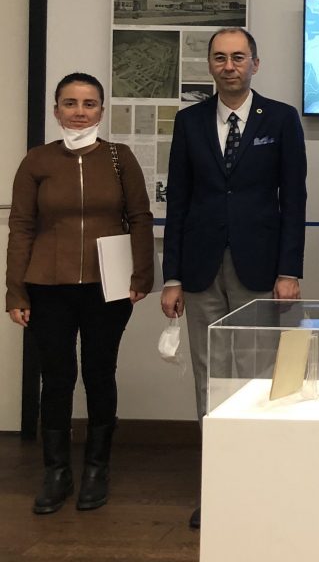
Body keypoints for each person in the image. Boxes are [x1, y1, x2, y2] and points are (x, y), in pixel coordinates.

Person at [161, 27, 307, 529]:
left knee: (257, 374)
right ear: (210, 65)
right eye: (220, 58)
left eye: (238, 57)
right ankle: (219, 485)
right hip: (200, 269)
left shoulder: (281, 119)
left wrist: (289, 270)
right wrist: (172, 276)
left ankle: (260, 483)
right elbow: (178, 201)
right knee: (210, 376)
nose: (229, 66)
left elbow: (294, 201)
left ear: (255, 64)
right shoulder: (190, 121)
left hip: (260, 267)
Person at [6, 72, 154, 514]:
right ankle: (56, 472)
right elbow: (21, 226)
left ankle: (95, 469)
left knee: (99, 373)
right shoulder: (36, 161)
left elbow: (140, 217)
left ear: (101, 111)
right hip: (47, 286)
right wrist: (15, 291)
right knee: (56, 378)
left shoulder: (119, 157)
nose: (79, 112)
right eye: (70, 103)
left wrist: (142, 275)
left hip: (107, 286)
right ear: (56, 111)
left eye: (89, 104)